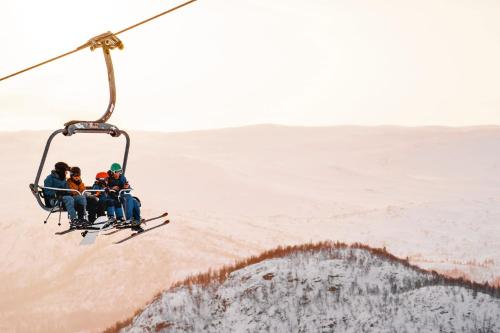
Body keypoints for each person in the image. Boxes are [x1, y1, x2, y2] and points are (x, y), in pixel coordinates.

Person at [107, 162, 143, 231]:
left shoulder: (122, 177)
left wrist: (127, 187)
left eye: (119, 172)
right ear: (112, 172)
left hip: (121, 195)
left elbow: (127, 189)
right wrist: (112, 188)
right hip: (114, 197)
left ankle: (136, 221)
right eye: (116, 172)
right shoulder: (108, 179)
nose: (118, 173)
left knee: (134, 201)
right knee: (128, 198)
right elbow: (105, 188)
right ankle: (129, 219)